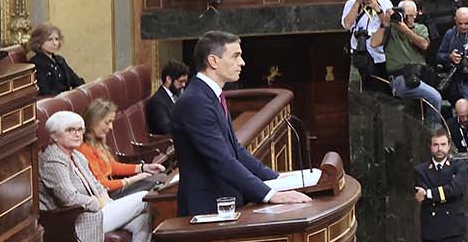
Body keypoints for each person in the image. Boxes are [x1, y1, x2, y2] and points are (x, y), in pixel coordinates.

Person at [171, 31, 313, 217]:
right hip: (207, 208)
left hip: (226, 201)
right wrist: (270, 194)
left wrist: (277, 178)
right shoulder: (195, 101)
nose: (242, 62)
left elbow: (235, 150)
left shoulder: (211, 95)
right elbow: (221, 160)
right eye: (236, 56)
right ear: (213, 61)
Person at [39, 111, 154, 242]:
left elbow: (97, 185)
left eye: (79, 129)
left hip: (97, 213)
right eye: (70, 130)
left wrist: (106, 200)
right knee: (144, 197)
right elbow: (68, 198)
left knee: (142, 220)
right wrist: (98, 203)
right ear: (54, 135)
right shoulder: (53, 160)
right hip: (77, 224)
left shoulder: (77, 155)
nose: (77, 134)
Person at [81, 98, 166, 195]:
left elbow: (112, 167)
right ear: (93, 122)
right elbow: (101, 184)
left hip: (115, 187)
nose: (111, 127)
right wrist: (131, 180)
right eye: (107, 122)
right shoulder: (85, 149)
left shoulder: (98, 142)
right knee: (158, 183)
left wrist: (143, 167)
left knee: (161, 178)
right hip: (107, 195)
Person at [27, 23, 84, 96]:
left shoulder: (60, 60)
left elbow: (76, 81)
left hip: (67, 100)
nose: (54, 43)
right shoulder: (36, 63)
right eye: (49, 39)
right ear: (38, 42)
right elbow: (45, 91)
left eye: (56, 39)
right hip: (52, 103)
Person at [146, 60, 191, 136]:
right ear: (168, 79)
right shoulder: (157, 102)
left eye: (185, 81)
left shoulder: (178, 95)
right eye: (181, 81)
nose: (183, 85)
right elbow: (167, 129)